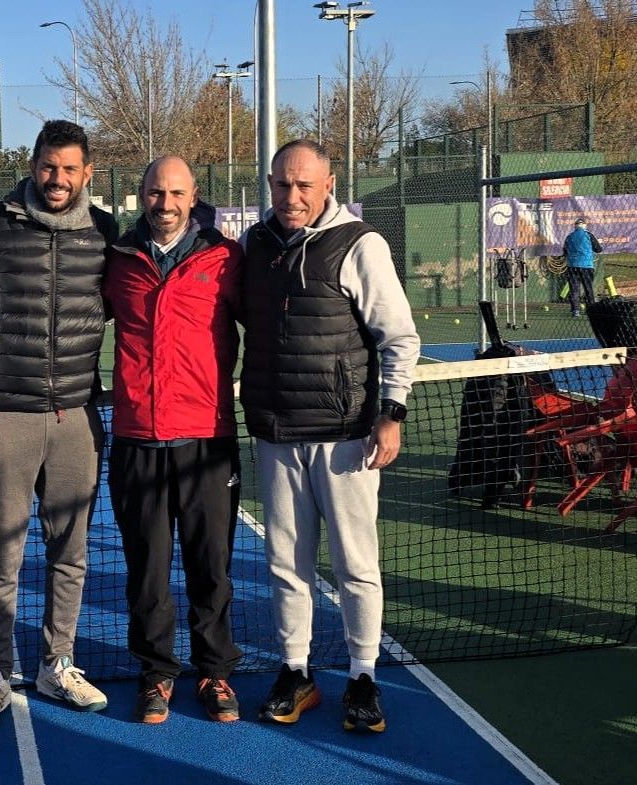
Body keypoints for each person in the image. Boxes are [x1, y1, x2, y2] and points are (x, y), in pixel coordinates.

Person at [239, 139, 419, 733]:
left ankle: (363, 677)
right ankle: (297, 671)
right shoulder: (255, 244)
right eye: (281, 185)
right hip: (276, 432)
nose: (291, 197)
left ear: (328, 184)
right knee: (286, 563)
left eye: (304, 186)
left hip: (346, 437)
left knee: (355, 565)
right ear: (269, 184)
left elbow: (398, 337)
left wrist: (389, 414)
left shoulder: (361, 244)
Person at [0, 120, 119, 731]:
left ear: (87, 174)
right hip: (4, 414)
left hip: (78, 414)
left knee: (70, 553)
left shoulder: (104, 232)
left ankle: (58, 661)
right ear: (33, 166)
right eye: (48, 167)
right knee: (1, 556)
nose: (58, 180)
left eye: (70, 169)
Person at [104, 156, 244, 725]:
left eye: (176, 193)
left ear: (194, 196)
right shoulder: (116, 261)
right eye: (155, 193)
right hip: (137, 437)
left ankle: (215, 671)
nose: (165, 203)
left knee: (211, 565)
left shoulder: (226, 258)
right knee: (148, 569)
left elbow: (268, 327)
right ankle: (157, 674)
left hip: (206, 439)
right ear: (141, 196)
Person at [564, 217, 602, 317]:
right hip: (586, 266)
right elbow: (598, 249)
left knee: (574, 289)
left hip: (572, 266)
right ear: (585, 225)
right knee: (588, 288)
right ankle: (591, 309)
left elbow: (564, 251)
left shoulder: (569, 236)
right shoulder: (588, 235)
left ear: (575, 226)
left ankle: (575, 310)